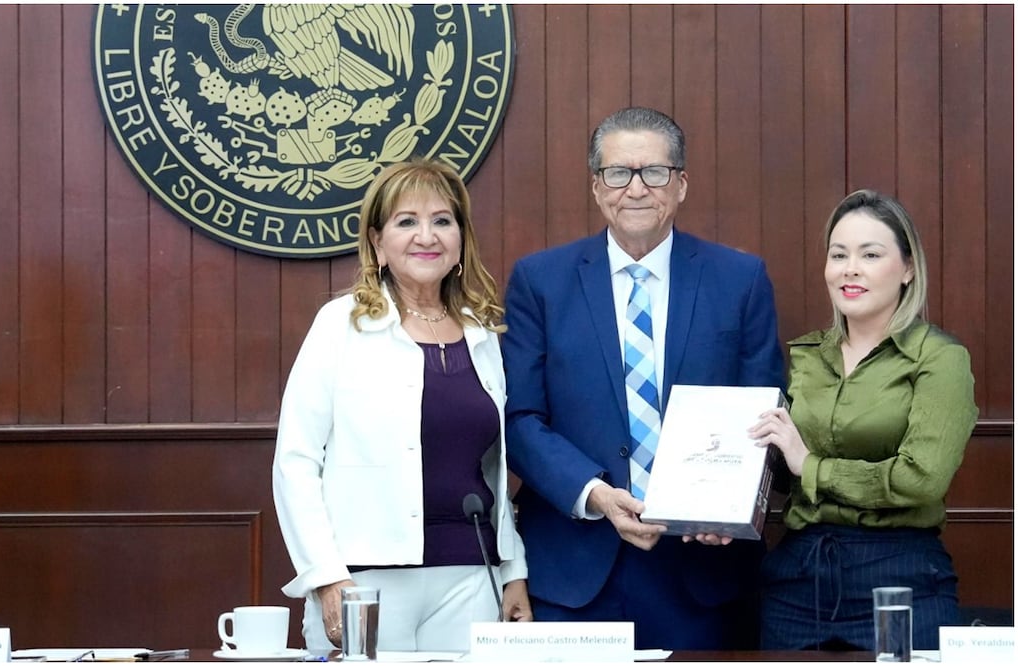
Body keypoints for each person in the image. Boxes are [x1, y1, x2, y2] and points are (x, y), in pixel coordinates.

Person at [501, 106, 785, 650]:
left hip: (705, 570)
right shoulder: (541, 280)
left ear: (680, 185)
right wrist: (596, 494)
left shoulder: (739, 279)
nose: (636, 188)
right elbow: (519, 419)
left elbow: (764, 409)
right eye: (618, 173)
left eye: (654, 172)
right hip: (576, 568)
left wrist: (731, 504)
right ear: (595, 186)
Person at [273, 157, 532, 653]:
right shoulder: (340, 324)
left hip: (471, 577)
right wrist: (325, 577)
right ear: (377, 243)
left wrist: (513, 568)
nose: (427, 236)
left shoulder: (482, 331)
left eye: (442, 220)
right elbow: (295, 463)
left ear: (460, 239)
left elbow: (496, 471)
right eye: (406, 221)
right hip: (364, 583)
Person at [749, 189, 977, 651]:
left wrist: (810, 465)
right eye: (839, 255)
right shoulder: (805, 355)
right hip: (797, 579)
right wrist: (719, 508)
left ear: (908, 268)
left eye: (870, 254)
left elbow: (921, 480)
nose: (850, 268)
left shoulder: (940, 359)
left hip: (899, 576)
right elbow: (778, 472)